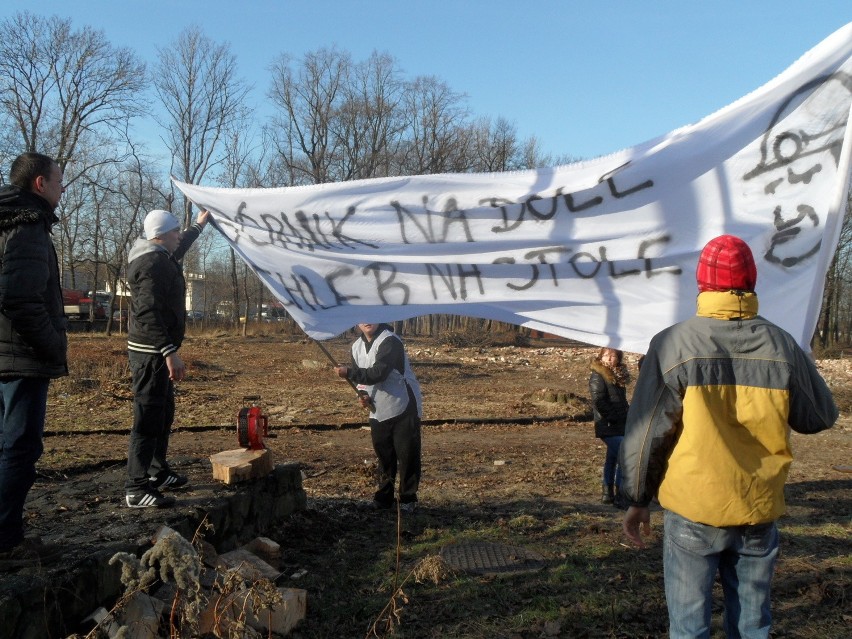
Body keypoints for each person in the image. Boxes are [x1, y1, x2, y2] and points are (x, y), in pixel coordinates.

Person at [619, 235, 838, 638]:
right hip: (757, 506)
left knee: (688, 627)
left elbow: (646, 433)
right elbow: (820, 416)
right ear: (752, 282)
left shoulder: (673, 343)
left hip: (694, 506)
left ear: (702, 283)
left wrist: (637, 499)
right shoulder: (781, 344)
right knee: (753, 626)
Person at [0, 152, 67, 567]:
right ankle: (6, 542)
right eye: (59, 181)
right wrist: (52, 346)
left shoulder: (8, 221)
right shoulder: (27, 227)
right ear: (39, 184)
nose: (63, 189)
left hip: (7, 353)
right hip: (19, 357)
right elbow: (20, 299)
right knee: (19, 450)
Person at [124, 207, 209, 508]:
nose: (178, 235)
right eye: (175, 231)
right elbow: (147, 313)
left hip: (157, 351)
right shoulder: (151, 263)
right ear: (160, 235)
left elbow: (180, 244)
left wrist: (199, 226)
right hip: (151, 354)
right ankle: (136, 487)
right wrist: (169, 352)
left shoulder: (160, 255)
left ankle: (157, 472)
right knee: (147, 417)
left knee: (163, 413)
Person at [334, 323, 422, 512]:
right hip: (378, 407)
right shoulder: (356, 346)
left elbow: (378, 373)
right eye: (362, 317)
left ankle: (408, 498)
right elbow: (361, 381)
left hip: (403, 402)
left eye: (372, 316)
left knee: (407, 454)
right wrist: (362, 394)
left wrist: (348, 372)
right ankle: (383, 498)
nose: (367, 321)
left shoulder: (390, 341)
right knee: (384, 454)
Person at [588, 347, 629, 506]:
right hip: (607, 424)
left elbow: (621, 402)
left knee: (612, 458)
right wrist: (614, 417)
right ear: (601, 357)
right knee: (624, 455)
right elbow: (599, 401)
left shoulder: (617, 375)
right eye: (606, 356)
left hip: (620, 423)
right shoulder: (598, 376)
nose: (609, 359)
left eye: (613, 356)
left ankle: (607, 494)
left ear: (618, 358)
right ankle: (621, 494)